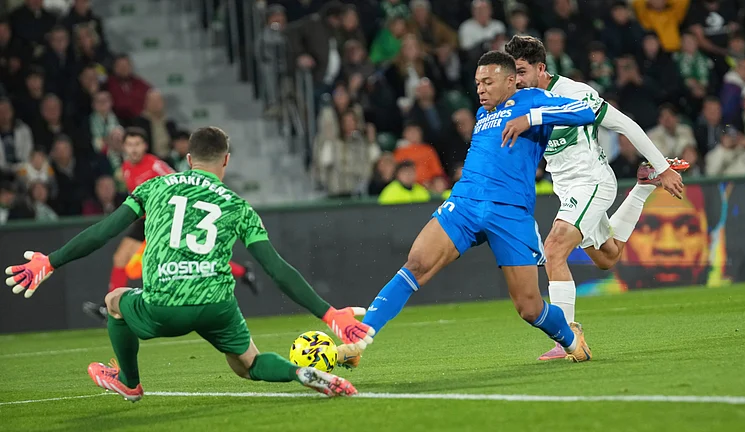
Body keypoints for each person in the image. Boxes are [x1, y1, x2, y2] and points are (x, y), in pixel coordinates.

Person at [5, 126, 374, 401]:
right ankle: (300, 373)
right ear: (226, 160)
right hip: (217, 305)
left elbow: (104, 232)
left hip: (165, 304)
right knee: (249, 365)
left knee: (115, 299)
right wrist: (329, 315)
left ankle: (130, 383)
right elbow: (276, 268)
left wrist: (50, 262)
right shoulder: (238, 206)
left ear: (188, 160)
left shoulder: (154, 187)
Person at [337, 51, 597, 368]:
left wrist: (532, 119)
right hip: (465, 202)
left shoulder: (533, 100)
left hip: (510, 211)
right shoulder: (483, 112)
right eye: (477, 83)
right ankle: (358, 340)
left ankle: (570, 338)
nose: (481, 89)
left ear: (511, 79)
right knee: (417, 262)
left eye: (488, 82)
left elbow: (586, 111)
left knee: (529, 308)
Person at [504, 35, 689, 360]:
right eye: (512, 74)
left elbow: (626, 125)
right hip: (568, 191)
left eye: (520, 71)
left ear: (540, 68)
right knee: (607, 257)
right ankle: (642, 187)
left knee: (555, 249)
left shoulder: (576, 94)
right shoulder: (522, 102)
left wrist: (664, 168)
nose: (516, 80)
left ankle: (566, 339)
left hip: (592, 183)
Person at [82, 128, 259, 322]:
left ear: (145, 146)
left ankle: (242, 272)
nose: (133, 149)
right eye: (130, 145)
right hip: (147, 220)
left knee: (198, 259)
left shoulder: (156, 166)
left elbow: (181, 182)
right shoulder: (125, 168)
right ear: (124, 147)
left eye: (137, 144)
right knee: (120, 258)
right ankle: (110, 308)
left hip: (169, 219)